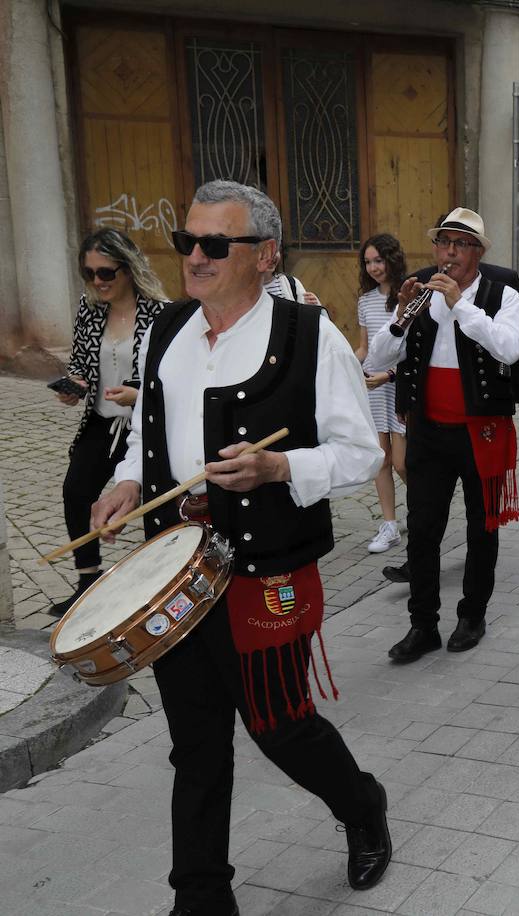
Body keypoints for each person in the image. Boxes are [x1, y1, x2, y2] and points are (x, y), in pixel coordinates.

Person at [90, 179, 391, 916]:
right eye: (185, 241)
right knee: (194, 744)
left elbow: (364, 454)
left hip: (262, 572)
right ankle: (199, 897)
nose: (194, 256)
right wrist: (127, 481)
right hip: (174, 574)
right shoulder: (166, 331)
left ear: (264, 255)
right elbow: (150, 434)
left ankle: (361, 805)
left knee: (280, 727)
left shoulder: (307, 334)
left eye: (214, 244)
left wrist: (281, 466)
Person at [368, 207, 519, 663]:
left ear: (477, 252)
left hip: (483, 431)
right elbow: (378, 358)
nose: (449, 253)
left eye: (460, 244)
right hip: (428, 431)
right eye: (443, 243)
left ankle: (472, 614)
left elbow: (511, 349)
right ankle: (423, 625)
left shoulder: (502, 293)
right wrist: (400, 315)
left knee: (482, 529)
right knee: (422, 531)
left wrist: (461, 304)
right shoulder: (419, 288)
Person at [50, 228, 169, 616]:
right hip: (101, 423)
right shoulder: (90, 310)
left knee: (154, 504)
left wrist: (140, 396)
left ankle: (164, 584)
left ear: (128, 267)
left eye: (106, 273)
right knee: (76, 493)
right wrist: (75, 387)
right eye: (89, 273)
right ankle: (88, 582)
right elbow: (81, 365)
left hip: (144, 425)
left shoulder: (160, 312)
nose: (97, 282)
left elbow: (172, 379)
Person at [354, 233, 409, 553]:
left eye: (379, 260)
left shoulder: (409, 295)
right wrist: (347, 365)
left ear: (392, 258)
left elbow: (413, 352)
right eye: (368, 262)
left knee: (402, 463)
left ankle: (424, 513)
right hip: (373, 387)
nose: (374, 267)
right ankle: (389, 525)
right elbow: (364, 347)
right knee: (381, 460)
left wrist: (387, 376)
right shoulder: (365, 300)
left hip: (397, 384)